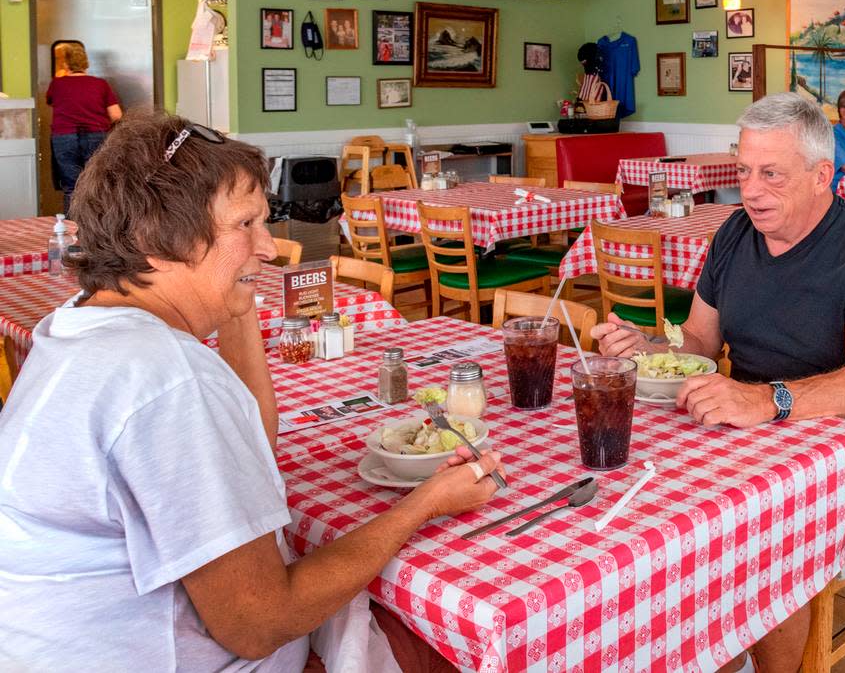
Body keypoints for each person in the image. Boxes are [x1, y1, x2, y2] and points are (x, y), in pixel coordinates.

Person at [0, 111, 504, 671]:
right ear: (156, 239)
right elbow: (260, 623)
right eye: (246, 225)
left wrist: (231, 300)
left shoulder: (81, 326)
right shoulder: (167, 379)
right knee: (447, 646)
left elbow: (252, 445)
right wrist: (425, 503)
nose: (269, 246)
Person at [592, 93, 845, 673]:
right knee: (657, 531)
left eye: (771, 175)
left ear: (822, 176)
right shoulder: (735, 233)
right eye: (743, 171)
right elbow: (698, 343)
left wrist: (766, 399)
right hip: (750, 439)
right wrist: (648, 346)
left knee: (760, 545)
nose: (751, 191)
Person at [45, 42, 122, 214]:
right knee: (96, 183)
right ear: (85, 62)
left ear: (66, 63)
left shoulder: (57, 84)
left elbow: (50, 101)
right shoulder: (100, 84)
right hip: (96, 135)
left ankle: (72, 229)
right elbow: (116, 115)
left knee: (71, 187)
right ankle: (96, 228)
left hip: (64, 137)